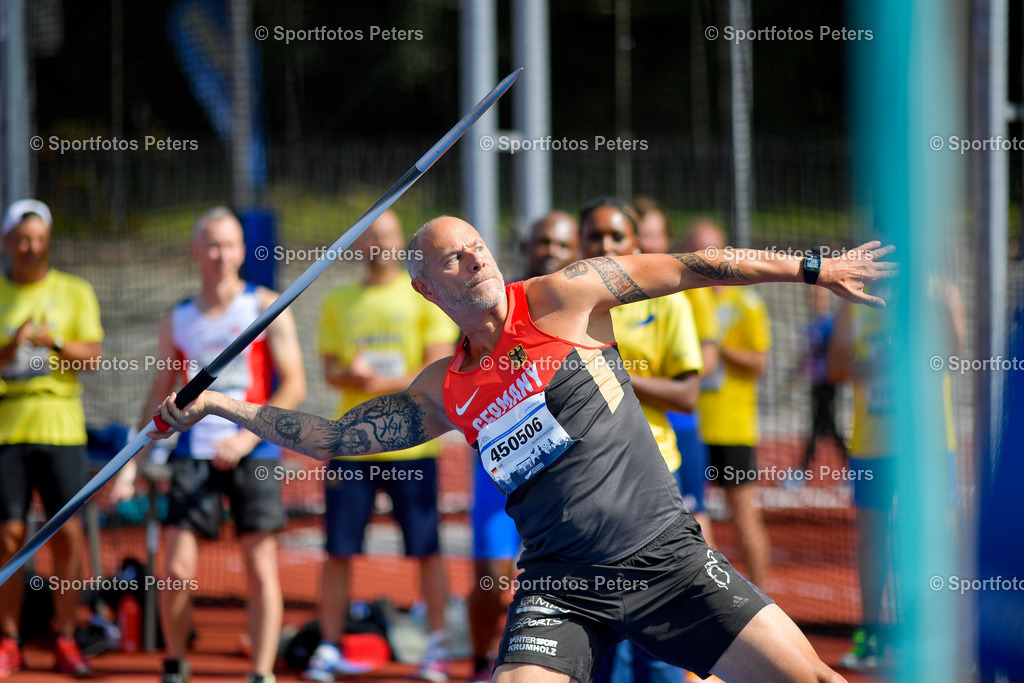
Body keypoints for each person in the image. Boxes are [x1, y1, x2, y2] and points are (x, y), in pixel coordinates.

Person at [150, 215, 894, 683]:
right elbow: (340, 437)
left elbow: (696, 267)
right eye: (453, 257)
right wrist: (219, 403)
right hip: (561, 583)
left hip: (663, 555)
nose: (474, 259)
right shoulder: (445, 386)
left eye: (477, 246)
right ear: (424, 285)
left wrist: (813, 268)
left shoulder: (563, 295)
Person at [111, 207, 306, 683]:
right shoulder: (177, 319)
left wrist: (243, 438)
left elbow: (294, 385)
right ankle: (176, 662)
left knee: (260, 568)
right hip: (193, 452)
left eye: (231, 245)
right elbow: (160, 391)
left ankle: (261, 673)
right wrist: (130, 464)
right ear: (197, 252)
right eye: (212, 245)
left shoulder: (265, 305)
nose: (222, 255)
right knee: (175, 570)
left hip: (253, 448)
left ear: (243, 251)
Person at [305, 210, 458, 683]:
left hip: (413, 445)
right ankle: (328, 646)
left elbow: (437, 365)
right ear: (358, 244)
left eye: (388, 236)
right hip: (352, 443)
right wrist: (352, 376)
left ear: (401, 245)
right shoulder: (338, 301)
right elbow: (331, 370)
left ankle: (437, 647)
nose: (379, 244)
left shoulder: (424, 297)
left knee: (426, 548)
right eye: (371, 236)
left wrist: (380, 379)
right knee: (338, 549)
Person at [579, 197, 703, 683]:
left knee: (661, 619)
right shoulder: (562, 304)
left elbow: (688, 394)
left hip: (653, 476)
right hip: (587, 483)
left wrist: (617, 375)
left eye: (616, 236)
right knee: (604, 626)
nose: (605, 245)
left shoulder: (668, 301)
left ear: (636, 243)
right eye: (594, 236)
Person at [826, 275, 961, 672]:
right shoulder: (855, 300)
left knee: (941, 533)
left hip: (931, 443)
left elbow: (954, 355)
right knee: (873, 538)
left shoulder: (940, 292)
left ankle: (949, 636)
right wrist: (874, 364)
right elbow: (833, 368)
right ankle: (871, 638)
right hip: (874, 444)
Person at [468, 210, 579, 683]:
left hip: (567, 475)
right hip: (502, 469)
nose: (550, 251)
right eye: (542, 243)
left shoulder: (581, 305)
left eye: (560, 245)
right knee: (491, 582)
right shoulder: (494, 306)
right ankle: (477, 661)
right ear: (526, 248)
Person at [0, 200, 103, 677]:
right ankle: (9, 639)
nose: (31, 247)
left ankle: (64, 634)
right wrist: (11, 345)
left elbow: (92, 357)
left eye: (39, 238)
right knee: (9, 535)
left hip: (61, 425)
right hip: (8, 427)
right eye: (22, 238)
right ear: (7, 244)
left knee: (68, 534)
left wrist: (53, 343)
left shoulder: (75, 291)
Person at [687, 220, 772, 591]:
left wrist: (717, 349)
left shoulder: (747, 302)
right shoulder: (682, 298)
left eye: (711, 249)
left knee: (744, 518)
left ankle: (766, 601)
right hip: (689, 427)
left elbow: (759, 362)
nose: (705, 258)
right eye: (696, 250)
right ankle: (714, 603)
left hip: (734, 427)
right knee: (693, 520)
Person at [636, 199, 718, 549]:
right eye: (640, 235)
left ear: (667, 239)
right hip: (633, 426)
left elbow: (707, 362)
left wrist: (644, 381)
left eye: (653, 236)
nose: (646, 244)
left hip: (679, 424)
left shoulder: (688, 291)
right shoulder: (618, 291)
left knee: (693, 518)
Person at [799, 286, 846, 472]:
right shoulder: (812, 324)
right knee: (824, 426)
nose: (815, 300)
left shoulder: (829, 324)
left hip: (828, 382)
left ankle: (803, 469)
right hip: (816, 381)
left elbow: (835, 354)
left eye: (819, 297)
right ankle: (849, 467)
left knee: (822, 426)